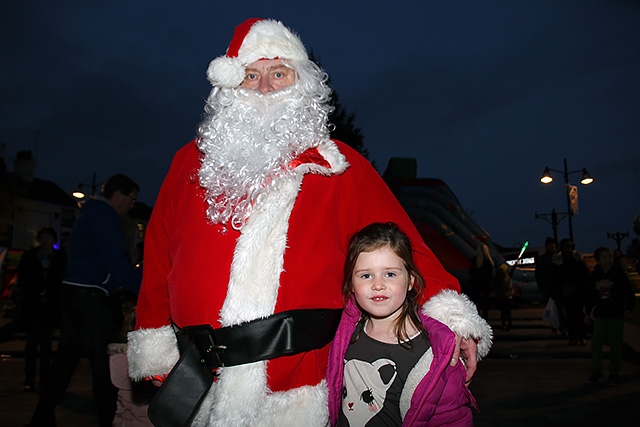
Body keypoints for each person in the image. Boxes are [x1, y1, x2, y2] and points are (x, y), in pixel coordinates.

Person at [127, 18, 492, 426]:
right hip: (199, 380)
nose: (264, 87)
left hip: (300, 384)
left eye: (278, 73)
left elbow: (402, 244)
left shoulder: (341, 167)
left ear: (302, 84)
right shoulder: (189, 164)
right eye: (251, 75)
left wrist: (452, 320)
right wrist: (154, 341)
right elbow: (158, 257)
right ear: (229, 88)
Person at [326, 223, 490, 426]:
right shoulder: (345, 333)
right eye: (366, 275)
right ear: (351, 284)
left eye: (390, 274)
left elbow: (451, 419)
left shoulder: (437, 355)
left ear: (411, 280)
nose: (378, 285)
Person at [28, 174, 142, 427]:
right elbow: (116, 262)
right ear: (118, 195)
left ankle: (41, 418)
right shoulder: (105, 216)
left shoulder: (89, 214)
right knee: (103, 366)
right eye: (131, 199)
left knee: (65, 362)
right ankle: (108, 420)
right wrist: (140, 281)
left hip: (72, 293)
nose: (132, 206)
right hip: (91, 298)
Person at [16, 226, 67, 392]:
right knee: (31, 344)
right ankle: (29, 378)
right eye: (43, 237)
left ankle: (45, 380)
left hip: (50, 308)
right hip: (33, 307)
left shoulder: (59, 257)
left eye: (48, 238)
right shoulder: (30, 256)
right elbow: (23, 279)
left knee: (46, 345)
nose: (45, 241)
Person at [585, 246, 635, 386]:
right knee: (597, 343)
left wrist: (629, 309)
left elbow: (628, 294)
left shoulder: (619, 274)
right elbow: (591, 295)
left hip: (615, 314)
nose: (609, 260)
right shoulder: (595, 275)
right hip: (601, 314)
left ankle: (614, 372)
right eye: (605, 257)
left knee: (615, 345)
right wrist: (588, 312)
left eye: (610, 257)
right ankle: (597, 371)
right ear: (599, 260)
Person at [553, 238, 590, 346]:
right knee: (570, 316)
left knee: (579, 315)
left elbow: (585, 274)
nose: (569, 249)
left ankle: (581, 336)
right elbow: (556, 278)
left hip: (578, 290)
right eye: (566, 246)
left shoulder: (577, 259)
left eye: (570, 246)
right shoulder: (559, 261)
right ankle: (573, 337)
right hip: (566, 292)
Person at [535, 237, 563, 334]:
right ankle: (555, 326)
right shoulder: (544, 259)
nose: (552, 248)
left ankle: (559, 326)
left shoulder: (557, 258)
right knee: (554, 308)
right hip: (549, 288)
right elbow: (539, 274)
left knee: (559, 308)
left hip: (556, 287)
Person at [469, 243, 494, 319]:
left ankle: (477, 317)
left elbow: (471, 272)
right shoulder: (489, 261)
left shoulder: (475, 261)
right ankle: (485, 317)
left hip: (476, 284)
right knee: (485, 302)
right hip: (486, 284)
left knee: (476, 302)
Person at [493, 264, 514, 331]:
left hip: (501, 297)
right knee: (508, 313)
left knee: (502, 313)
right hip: (508, 297)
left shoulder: (498, 278)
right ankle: (509, 324)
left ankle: (504, 325)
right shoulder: (507, 278)